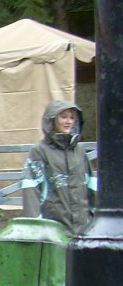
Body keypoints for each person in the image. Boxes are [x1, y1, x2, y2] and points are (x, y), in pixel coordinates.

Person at [21, 100, 94, 236]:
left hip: (82, 230)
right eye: (63, 117)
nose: (68, 121)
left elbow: (91, 186)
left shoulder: (79, 151)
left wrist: (95, 220)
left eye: (72, 117)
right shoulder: (39, 151)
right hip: (52, 231)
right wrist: (34, 228)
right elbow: (31, 190)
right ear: (52, 119)